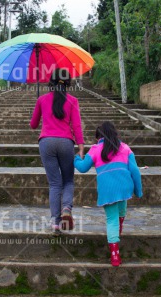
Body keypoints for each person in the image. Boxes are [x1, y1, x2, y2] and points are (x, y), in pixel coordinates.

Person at [74, 121, 142, 266]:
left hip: (107, 190)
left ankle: (115, 255)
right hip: (125, 187)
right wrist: (138, 190)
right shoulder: (125, 147)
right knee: (121, 210)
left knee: (111, 220)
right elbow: (135, 171)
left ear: (98, 137)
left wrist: (76, 159)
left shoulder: (95, 149)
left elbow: (82, 168)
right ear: (115, 133)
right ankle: (119, 229)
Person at [30, 68, 85, 236]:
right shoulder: (73, 101)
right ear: (67, 83)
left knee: (55, 184)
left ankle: (55, 223)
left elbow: (33, 124)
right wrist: (81, 147)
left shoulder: (42, 99)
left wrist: (39, 104)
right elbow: (76, 125)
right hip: (66, 142)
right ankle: (67, 208)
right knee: (68, 180)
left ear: (51, 82)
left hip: (46, 142)